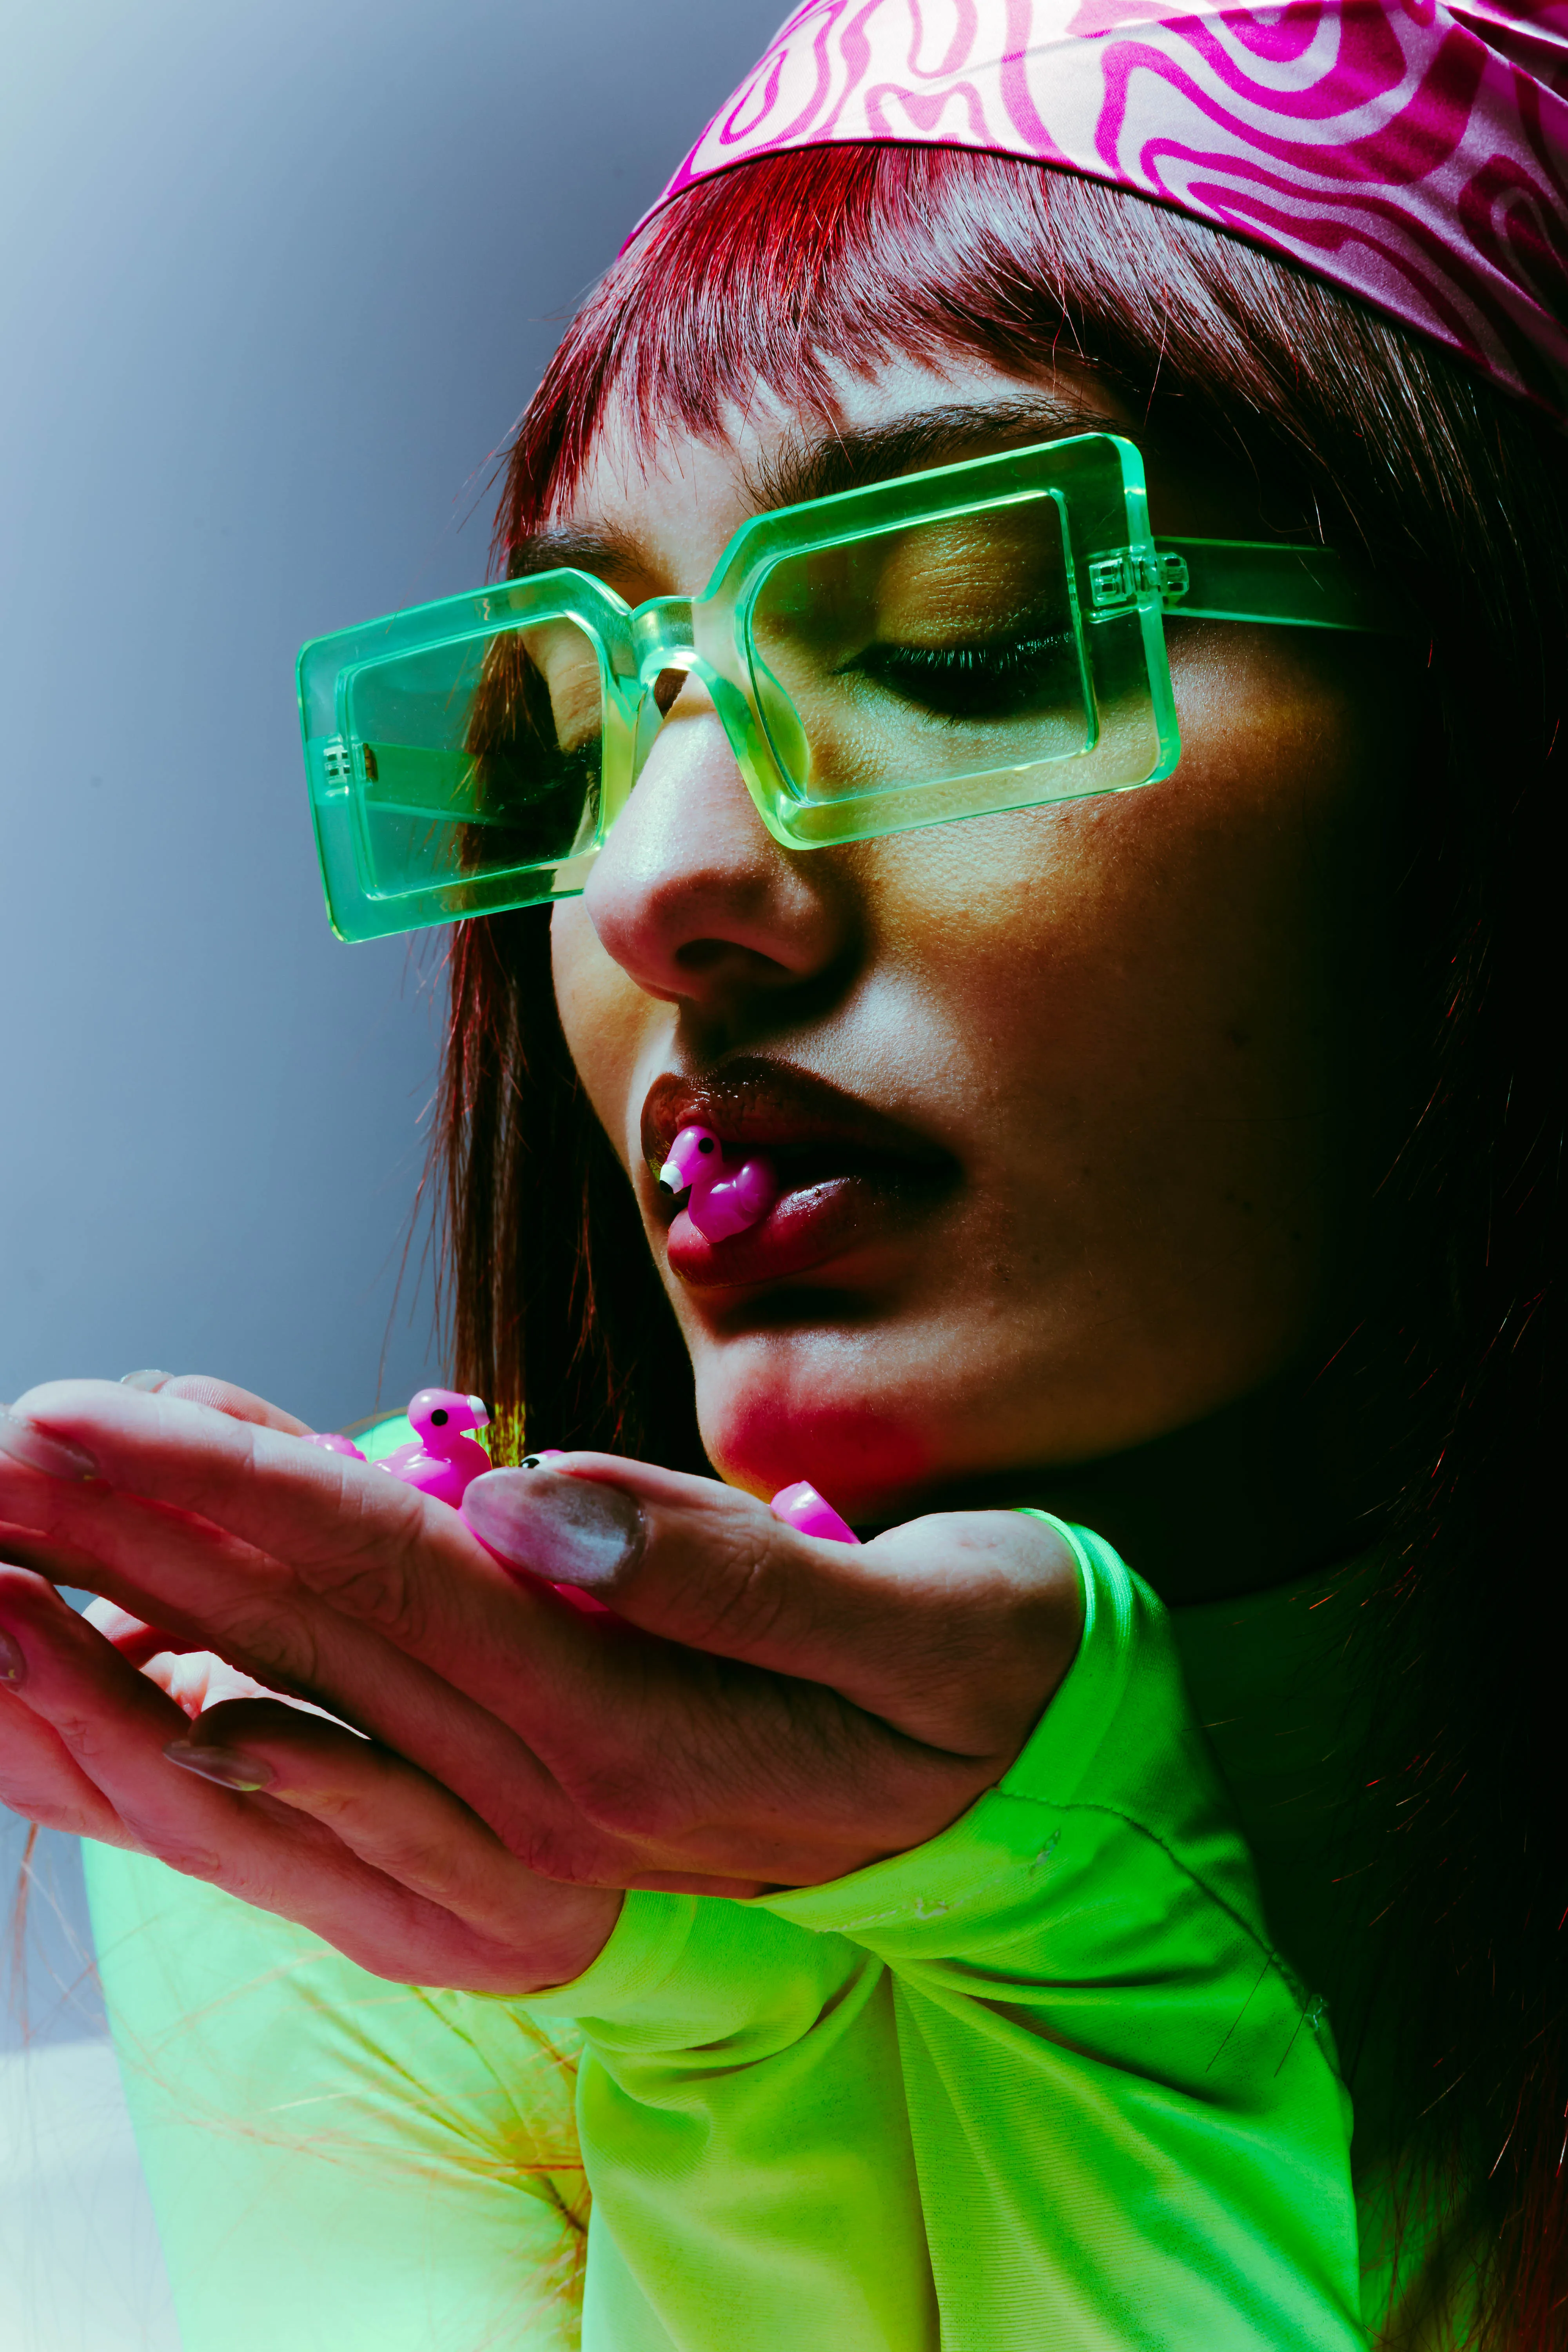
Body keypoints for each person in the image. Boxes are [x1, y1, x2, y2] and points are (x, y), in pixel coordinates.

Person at [1, 2, 1564, 2344]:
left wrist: (1079, 1909)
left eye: (975, 642)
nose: (653, 882)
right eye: (578, 719)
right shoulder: (375, 1830)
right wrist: (722, 1991)